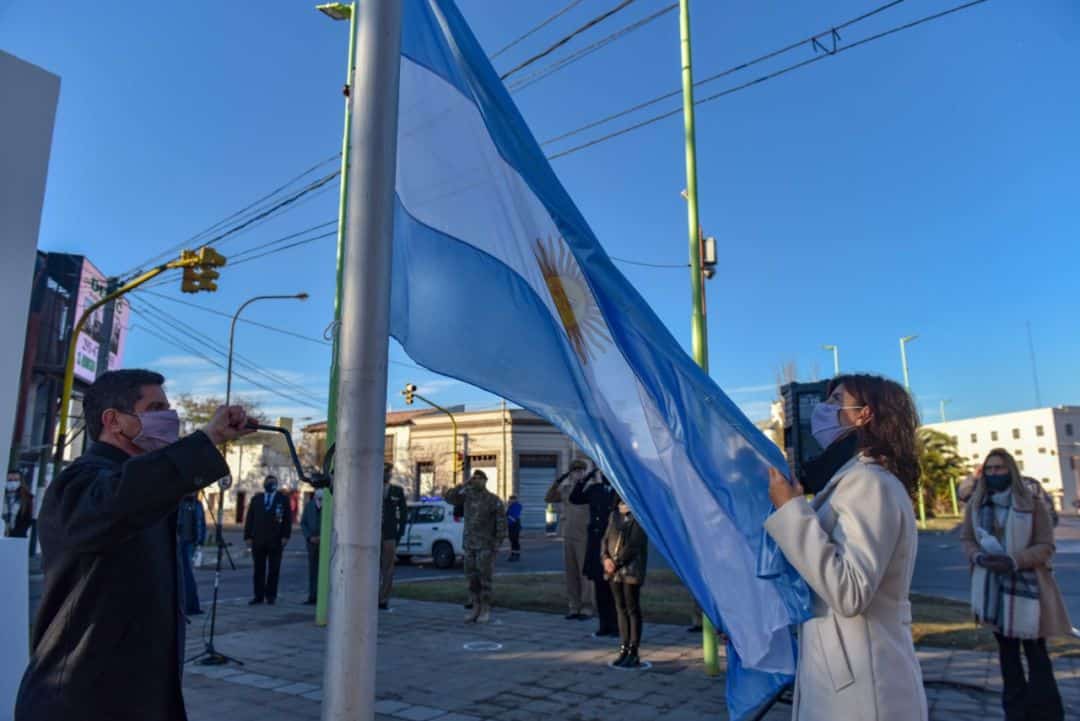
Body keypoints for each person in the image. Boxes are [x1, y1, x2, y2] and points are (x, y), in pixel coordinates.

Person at [14, 368, 249, 721]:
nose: (169, 419)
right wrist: (208, 436)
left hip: (138, 697)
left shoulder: (147, 486)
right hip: (78, 701)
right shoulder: (79, 483)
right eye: (156, 408)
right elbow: (124, 498)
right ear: (114, 421)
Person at [765, 373, 927, 721]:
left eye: (836, 401)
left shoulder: (869, 483)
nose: (823, 410)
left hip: (863, 685)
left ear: (864, 414)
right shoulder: (851, 480)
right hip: (843, 669)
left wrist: (791, 512)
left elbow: (850, 591)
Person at [960, 448, 1070, 721]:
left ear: (1011, 469)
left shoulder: (1031, 504)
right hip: (993, 590)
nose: (994, 473)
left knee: (1037, 655)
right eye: (990, 469)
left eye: (999, 468)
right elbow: (967, 539)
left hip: (1029, 590)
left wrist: (1014, 560)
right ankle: (1016, 712)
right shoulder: (977, 504)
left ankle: (1046, 712)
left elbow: (1046, 546)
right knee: (1008, 657)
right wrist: (978, 556)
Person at [444, 470, 507, 623]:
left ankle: (485, 609)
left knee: (485, 579)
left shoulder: (493, 500)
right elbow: (448, 497)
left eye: (480, 478)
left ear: (486, 481)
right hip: (470, 545)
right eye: (475, 478)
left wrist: (497, 544)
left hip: (485, 545)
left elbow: (501, 524)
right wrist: (464, 484)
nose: (477, 481)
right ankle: (475, 607)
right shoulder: (467, 496)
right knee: (472, 579)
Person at [569, 467, 619, 637]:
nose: (605, 476)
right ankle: (604, 625)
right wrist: (585, 479)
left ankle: (616, 626)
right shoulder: (594, 489)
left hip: (614, 542)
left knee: (614, 588)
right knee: (600, 587)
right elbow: (574, 498)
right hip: (597, 542)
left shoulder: (621, 490)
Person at [602, 493, 648, 667]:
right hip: (613, 571)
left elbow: (635, 544)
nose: (623, 504)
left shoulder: (638, 517)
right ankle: (623, 647)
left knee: (632, 609)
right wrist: (605, 558)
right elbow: (605, 539)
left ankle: (633, 650)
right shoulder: (614, 516)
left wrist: (617, 562)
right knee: (620, 608)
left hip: (630, 570)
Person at [545, 460, 593, 620]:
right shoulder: (565, 490)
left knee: (585, 574)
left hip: (584, 535)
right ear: (570, 473)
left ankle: (587, 607)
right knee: (571, 573)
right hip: (568, 535)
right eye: (574, 471)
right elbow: (549, 497)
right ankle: (574, 606)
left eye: (580, 470)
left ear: (585, 472)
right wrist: (558, 481)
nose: (577, 473)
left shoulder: (589, 489)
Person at [244, 474, 292, 605]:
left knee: (274, 569)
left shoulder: (282, 499)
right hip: (258, 540)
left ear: (276, 485)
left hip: (275, 540)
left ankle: (271, 596)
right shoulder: (256, 499)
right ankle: (258, 596)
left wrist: (286, 536)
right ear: (264, 484)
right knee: (258, 569)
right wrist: (247, 536)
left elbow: (288, 519)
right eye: (268, 482)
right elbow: (250, 518)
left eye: (273, 482)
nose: (270, 484)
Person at [379, 463, 408, 610]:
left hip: (390, 535)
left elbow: (403, 514)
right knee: (369, 567)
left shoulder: (397, 490)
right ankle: (371, 595)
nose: (387, 474)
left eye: (389, 472)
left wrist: (399, 534)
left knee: (388, 568)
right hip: (372, 534)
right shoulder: (371, 488)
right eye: (385, 472)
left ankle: (383, 599)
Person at [177, 493, 207, 615]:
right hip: (180, 542)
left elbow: (202, 524)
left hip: (190, 544)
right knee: (184, 575)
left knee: (187, 575)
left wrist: (200, 542)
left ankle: (191, 605)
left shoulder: (197, 504)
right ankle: (188, 605)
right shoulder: (179, 503)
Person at [300, 489, 323, 605]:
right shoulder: (309, 506)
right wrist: (309, 537)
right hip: (312, 543)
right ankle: (312, 595)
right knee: (313, 570)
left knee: (324, 570)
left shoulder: (330, 505)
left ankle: (322, 595)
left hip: (325, 543)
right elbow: (303, 523)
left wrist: (323, 537)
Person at [4, 469, 34, 538]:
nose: (12, 483)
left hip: (18, 536)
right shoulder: (3, 495)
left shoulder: (27, 498)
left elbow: (28, 519)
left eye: (16, 480)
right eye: (10, 480)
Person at [506, 494, 523, 561]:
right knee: (512, 540)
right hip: (510, 525)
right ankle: (513, 554)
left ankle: (516, 555)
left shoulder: (517, 506)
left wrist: (508, 515)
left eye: (511, 499)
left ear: (514, 500)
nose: (510, 500)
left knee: (515, 540)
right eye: (510, 499)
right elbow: (507, 514)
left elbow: (514, 517)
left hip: (515, 525)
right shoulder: (511, 506)